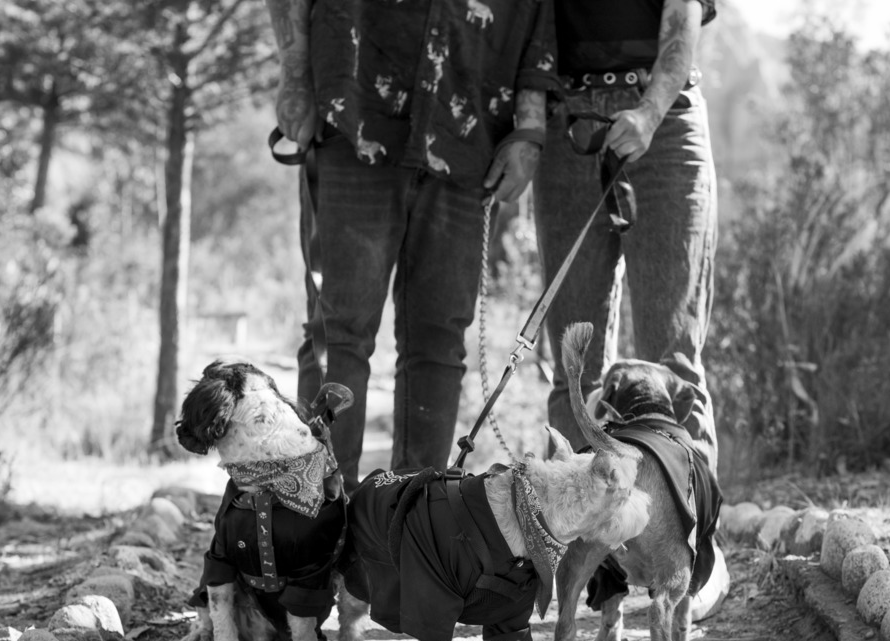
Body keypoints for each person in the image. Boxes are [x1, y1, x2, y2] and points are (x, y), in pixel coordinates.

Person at [264, 0, 557, 490]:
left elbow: (539, 14)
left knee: (439, 343)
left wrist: (529, 129)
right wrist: (295, 75)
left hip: (470, 129)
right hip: (354, 113)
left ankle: (407, 529)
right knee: (339, 332)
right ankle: (317, 516)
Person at [534, 0, 719, 462]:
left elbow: (683, 19)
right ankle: (577, 529)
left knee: (673, 360)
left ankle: (687, 527)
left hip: (666, 120)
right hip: (568, 124)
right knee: (575, 368)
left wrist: (649, 112)